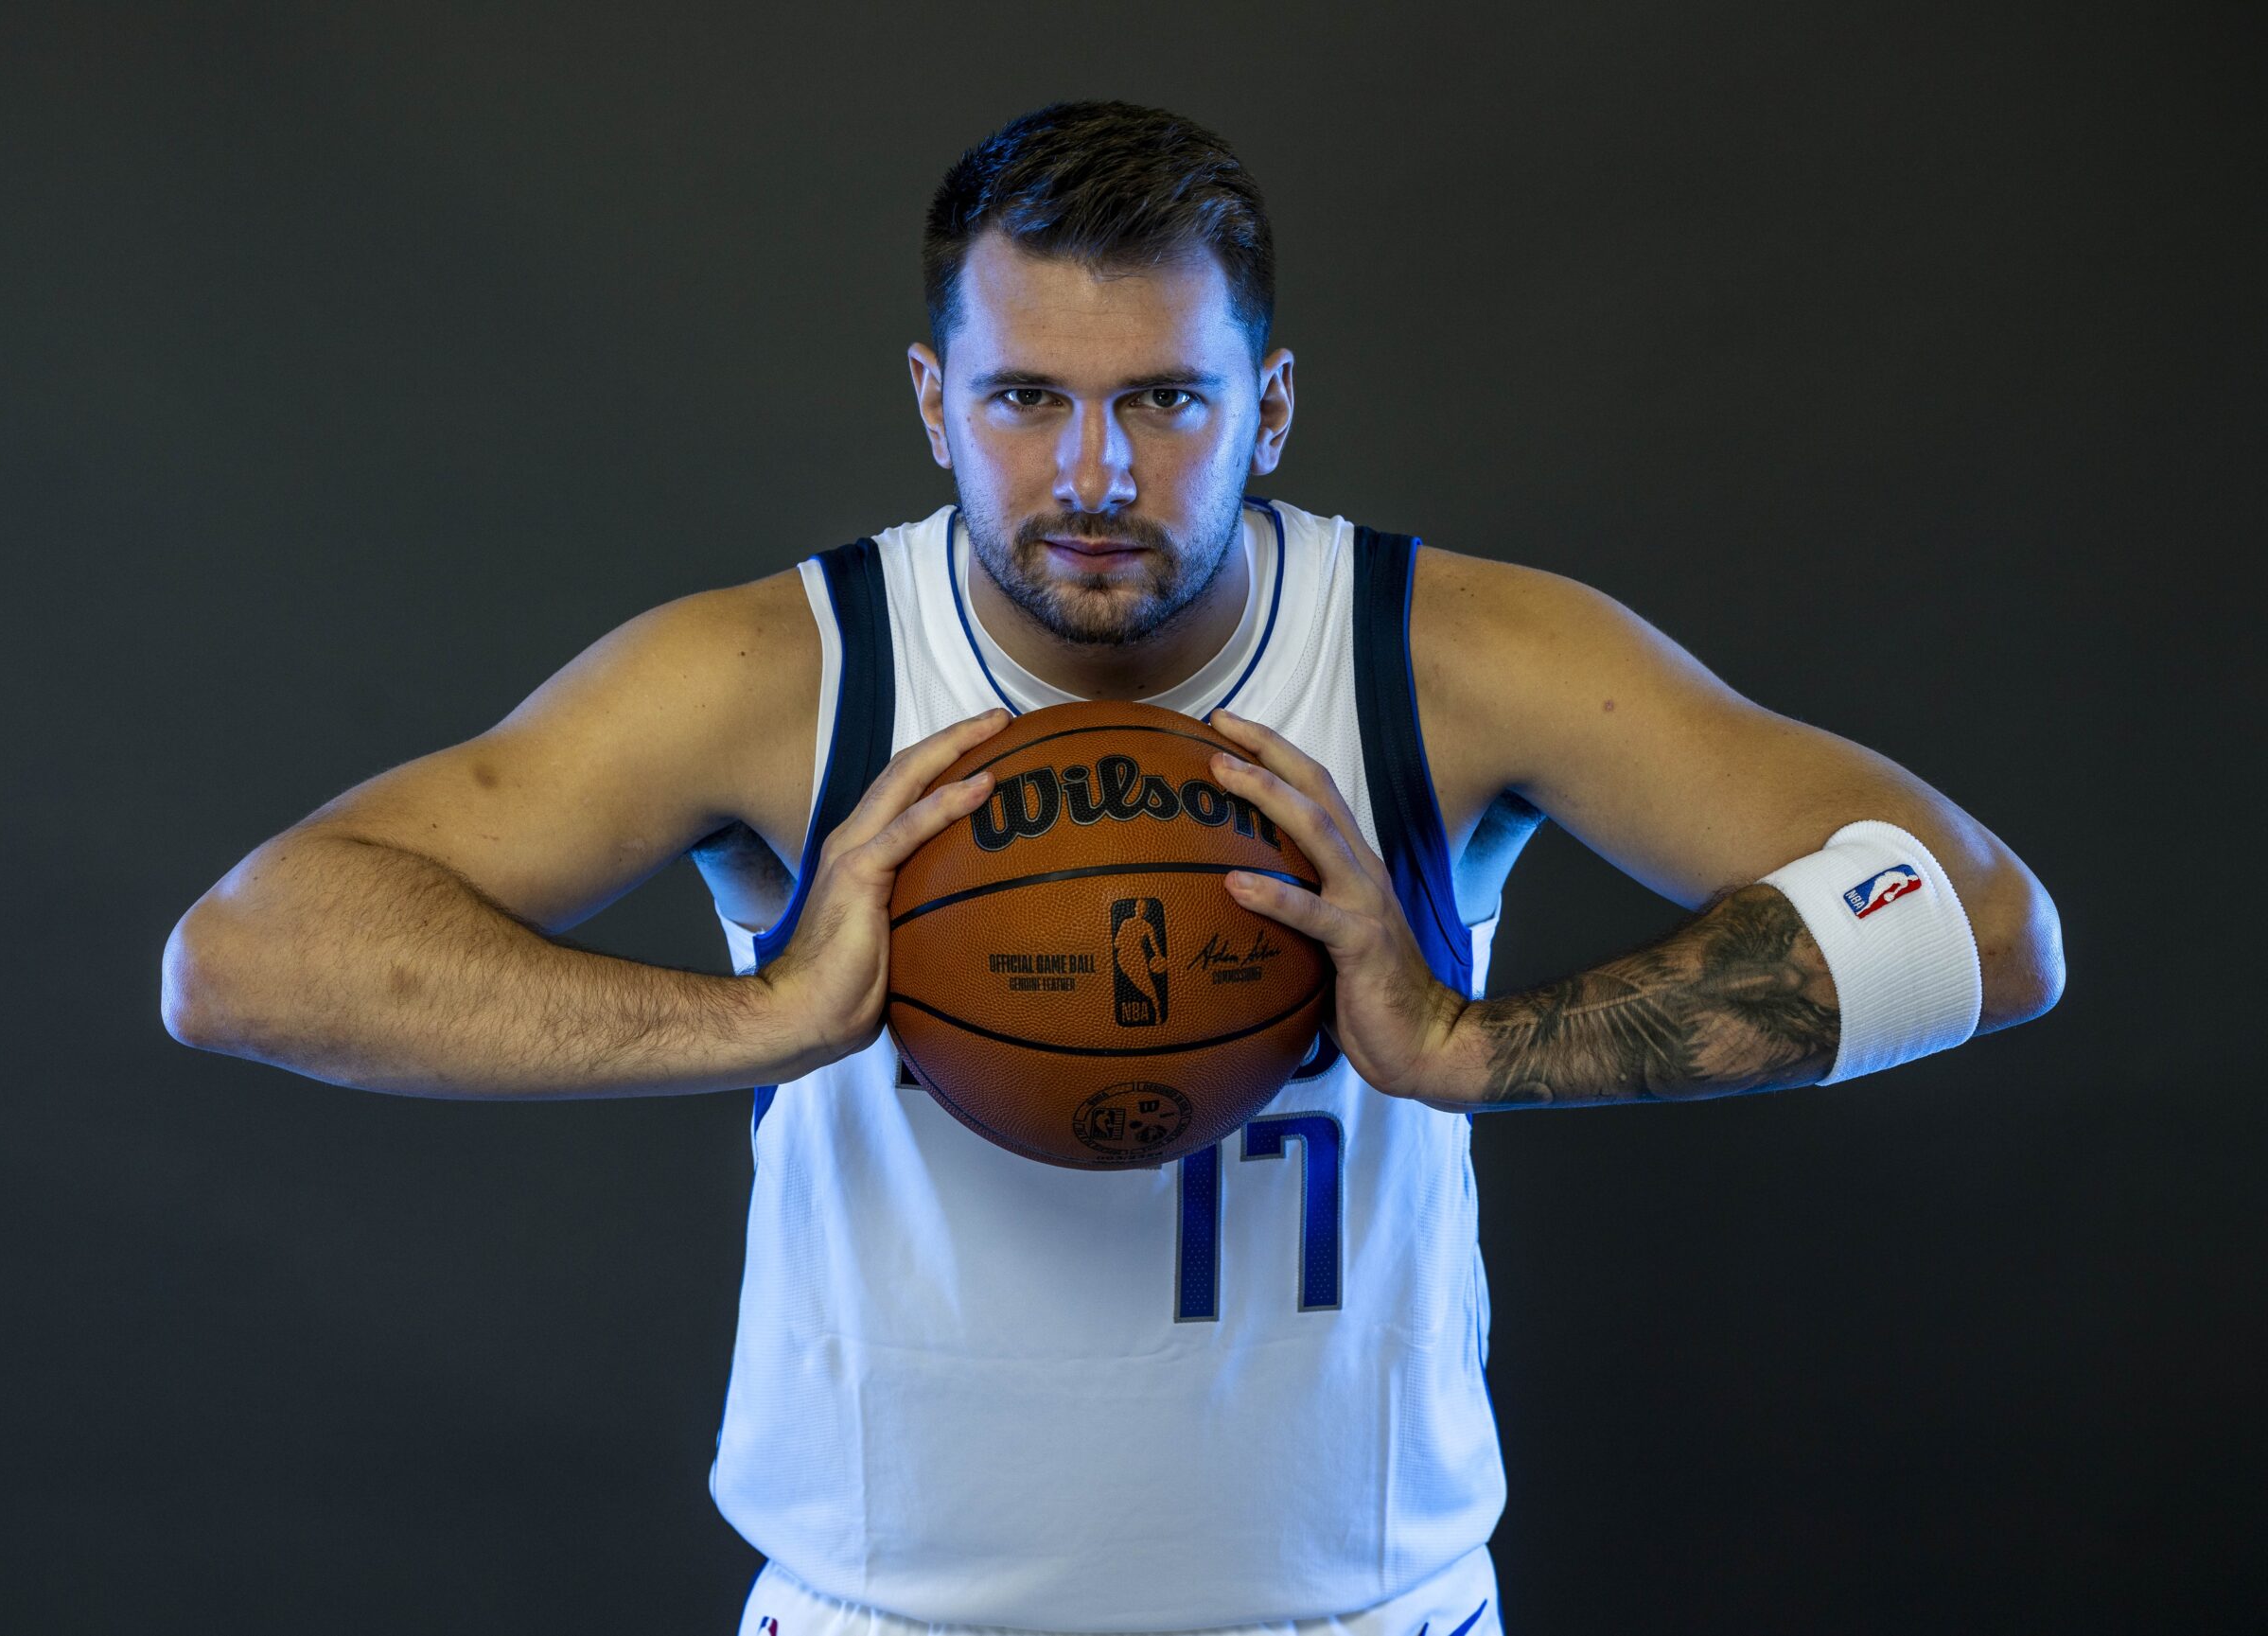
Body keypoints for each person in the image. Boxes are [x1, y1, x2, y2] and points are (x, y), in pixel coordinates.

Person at [161, 100, 2065, 1636]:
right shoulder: (776, 679)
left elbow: (1977, 918)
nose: (1090, 472)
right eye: (1021, 400)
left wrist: (1473, 1043)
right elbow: (245, 960)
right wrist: (765, 1013)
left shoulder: (1445, 659)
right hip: (879, 1613)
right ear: (931, 401)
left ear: (1270, 405)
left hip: (1359, 1614)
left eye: (1164, 400)